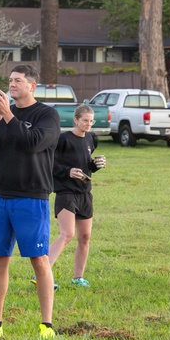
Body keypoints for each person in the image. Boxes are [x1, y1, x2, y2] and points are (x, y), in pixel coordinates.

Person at [0, 64, 60, 339]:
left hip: (31, 198)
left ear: (32, 85)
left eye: (18, 80)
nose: (12, 84)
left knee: (39, 260)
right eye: (10, 80)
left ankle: (46, 326)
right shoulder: (0, 114)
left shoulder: (47, 115)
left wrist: (7, 115)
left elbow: (33, 143)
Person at [47, 105, 106, 287]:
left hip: (85, 194)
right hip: (66, 193)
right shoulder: (63, 139)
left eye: (91, 121)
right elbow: (48, 164)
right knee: (67, 235)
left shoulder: (90, 139)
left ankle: (78, 278)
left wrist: (95, 165)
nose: (89, 124)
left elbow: (85, 164)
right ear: (76, 120)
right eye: (85, 120)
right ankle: (41, 274)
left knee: (85, 237)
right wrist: (68, 171)